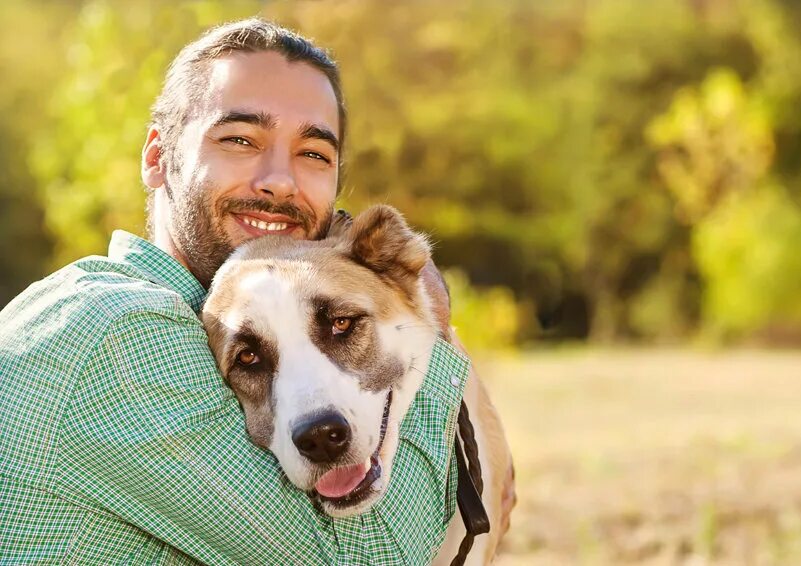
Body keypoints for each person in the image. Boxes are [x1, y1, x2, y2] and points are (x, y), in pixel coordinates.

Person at [0, 18, 512, 565]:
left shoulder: (194, 319)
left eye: (313, 154)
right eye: (240, 140)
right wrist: (417, 310)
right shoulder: (117, 331)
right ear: (156, 157)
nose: (280, 181)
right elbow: (377, 556)